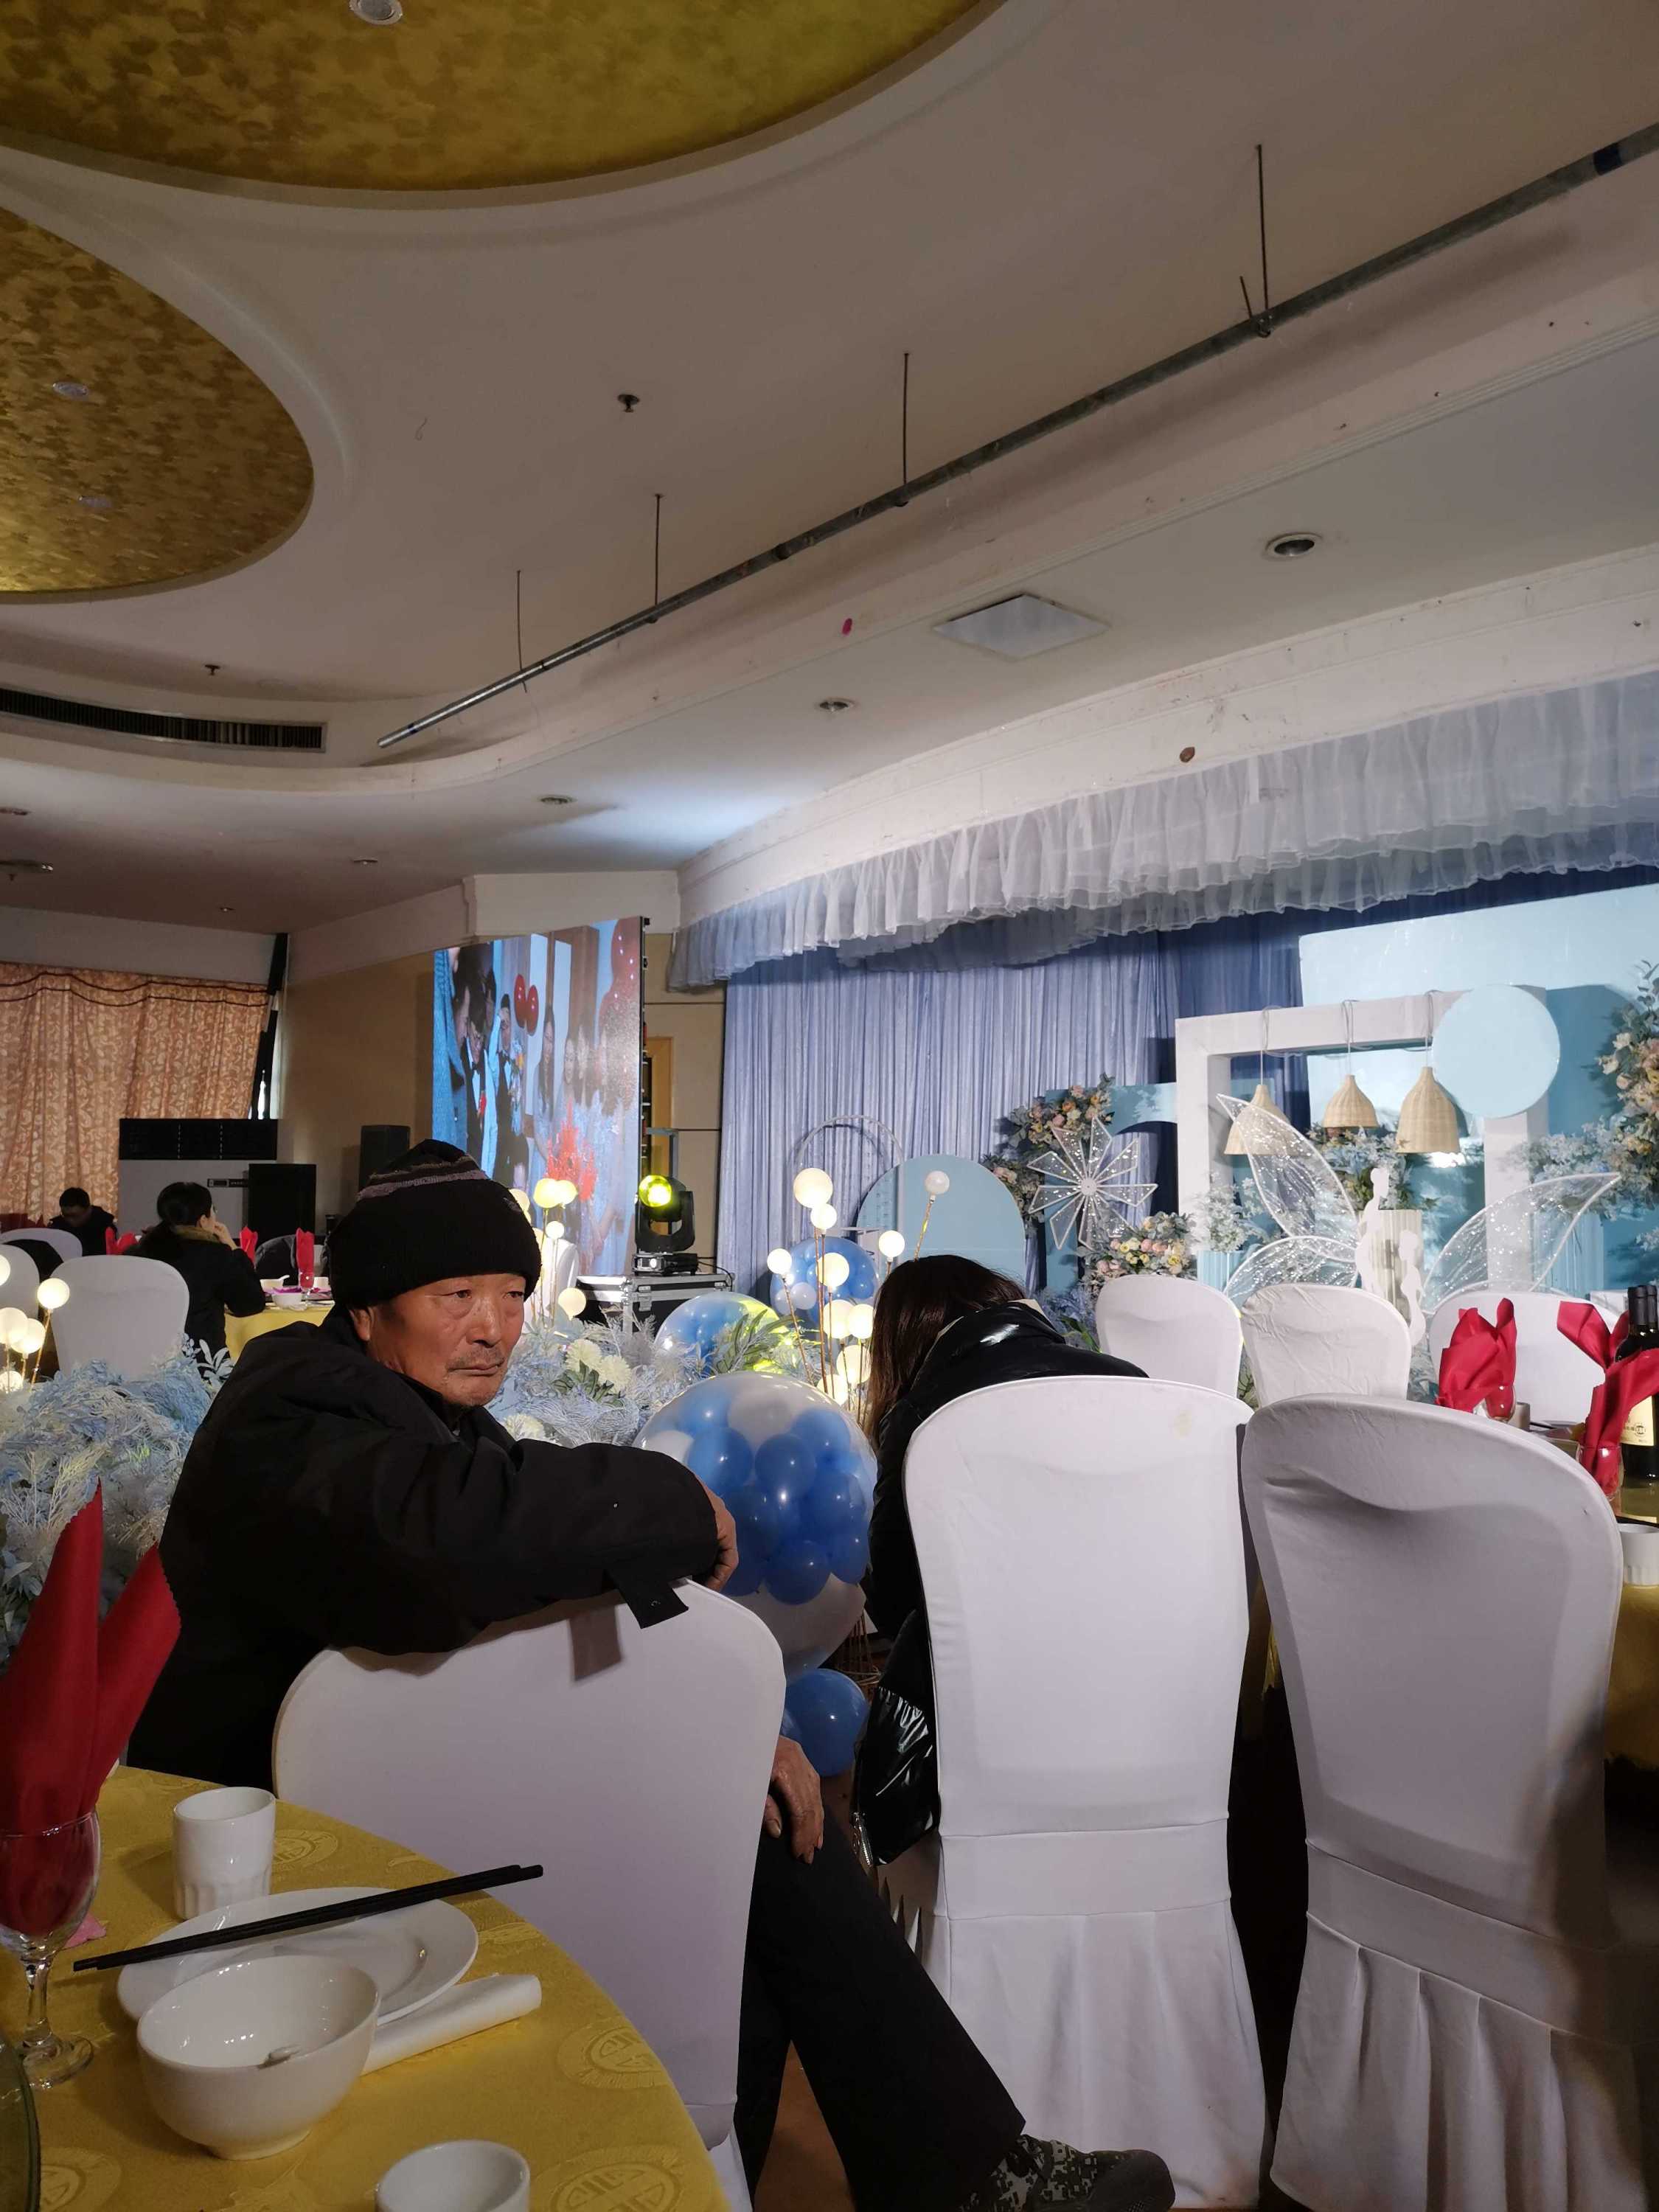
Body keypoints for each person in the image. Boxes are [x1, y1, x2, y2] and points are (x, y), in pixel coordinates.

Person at [132, 1147, 1172, 2212]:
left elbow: (523, 1592)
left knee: (749, 1821)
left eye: (511, 1295)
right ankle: (943, 2176)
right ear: (366, 1310)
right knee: (743, 1839)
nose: (493, 1327)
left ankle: (835, 2173)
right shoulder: (293, 1414)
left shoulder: (411, 1414)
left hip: (398, 1781)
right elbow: (448, 1540)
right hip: (276, 1842)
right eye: (456, 1297)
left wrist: (721, 1725)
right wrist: (668, 1501)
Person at [861, 1257, 1145, 1826]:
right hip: (1143, 1704)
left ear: (902, 1338)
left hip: (991, 1732)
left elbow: (891, 1601)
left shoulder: (923, 1414)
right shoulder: (1133, 1383)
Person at [133, 1182, 267, 1363]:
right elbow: (250, 1304)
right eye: (214, 1210)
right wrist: (233, 1247)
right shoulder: (215, 1255)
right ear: (203, 1220)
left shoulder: (139, 1252)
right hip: (200, 1364)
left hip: (144, 1360)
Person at [51, 1185, 115, 1256]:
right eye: (65, 1215)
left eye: (75, 1216)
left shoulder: (105, 1226)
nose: (70, 1220)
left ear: (89, 1210)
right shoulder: (57, 1226)